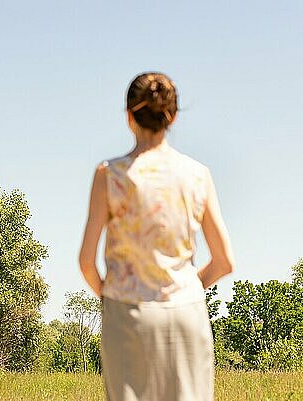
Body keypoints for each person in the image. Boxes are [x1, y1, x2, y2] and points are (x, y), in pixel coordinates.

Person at [78, 72, 235, 401]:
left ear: (128, 116)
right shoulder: (197, 175)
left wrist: (110, 296)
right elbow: (223, 262)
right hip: (186, 315)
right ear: (173, 117)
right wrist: (185, 287)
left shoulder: (109, 175)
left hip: (127, 315)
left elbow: (86, 262)